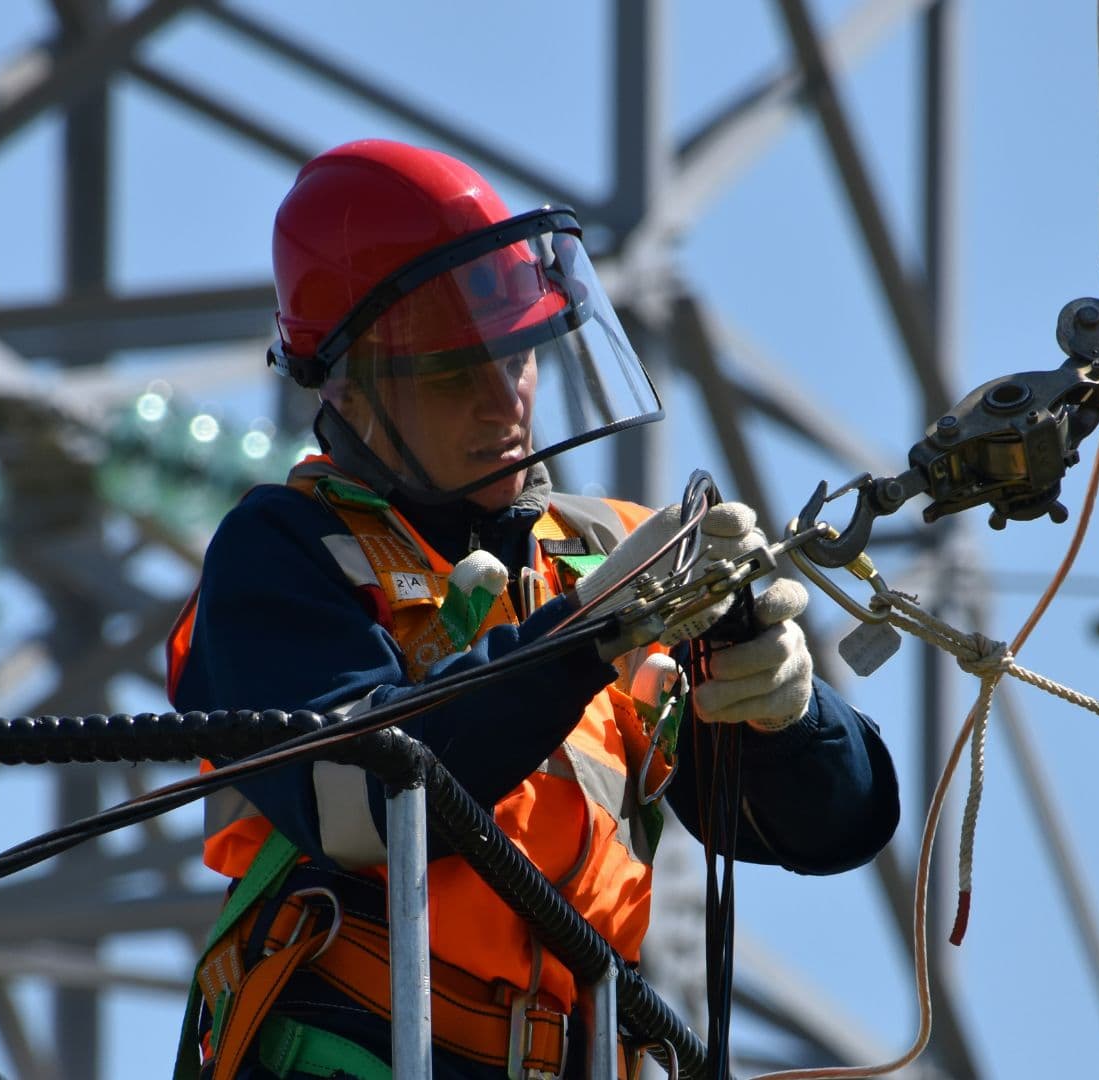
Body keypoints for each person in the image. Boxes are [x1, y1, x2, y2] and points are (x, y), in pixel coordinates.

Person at [166, 139, 899, 1080]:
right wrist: (589, 632)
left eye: (516, 358)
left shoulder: (607, 551)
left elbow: (832, 829)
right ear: (348, 389)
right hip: (361, 1053)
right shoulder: (285, 552)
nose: (502, 403)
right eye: (449, 373)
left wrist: (791, 715)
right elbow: (357, 802)